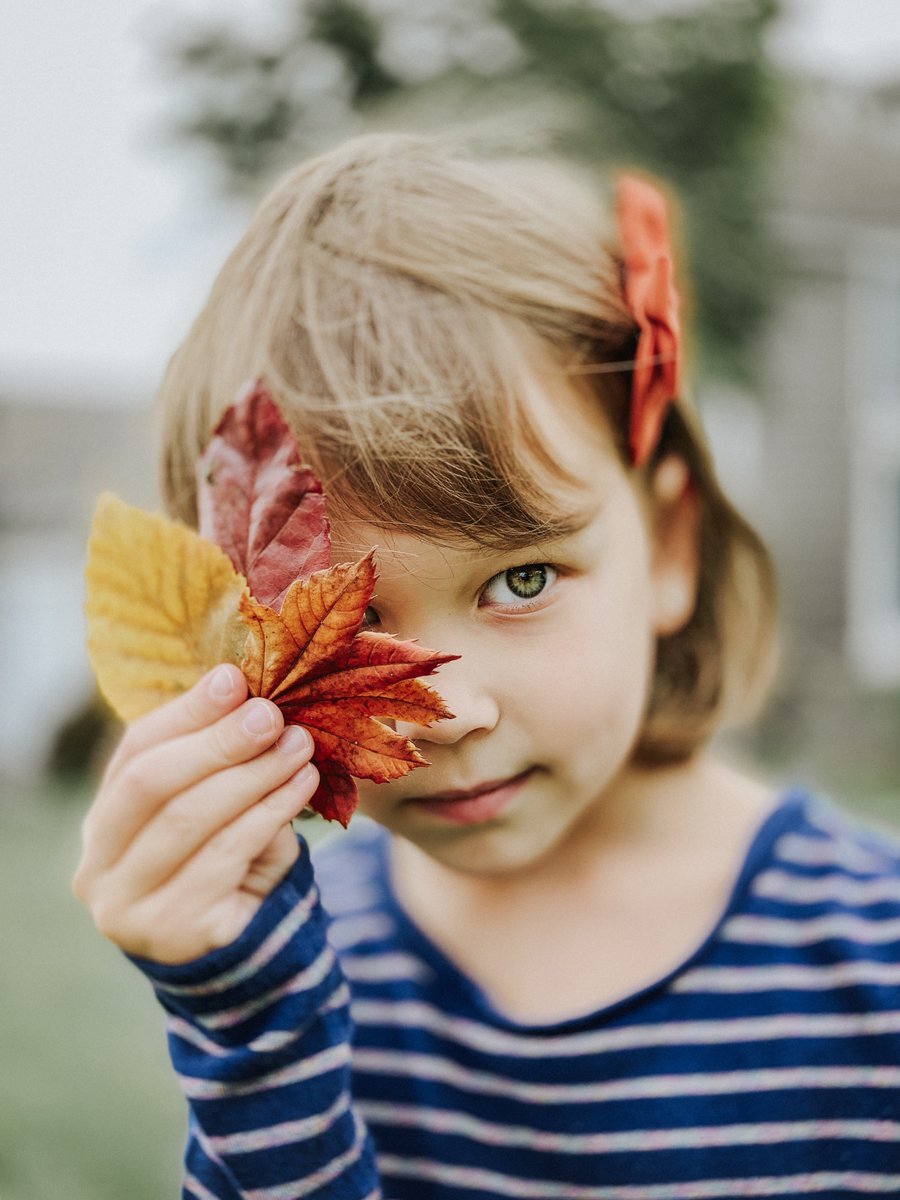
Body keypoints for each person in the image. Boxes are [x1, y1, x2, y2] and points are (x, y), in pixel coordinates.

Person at [73, 133, 900, 1198]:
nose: (447, 711)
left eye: (523, 581)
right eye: (348, 625)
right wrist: (256, 1037)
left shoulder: (875, 964)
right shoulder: (297, 968)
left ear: (671, 550)